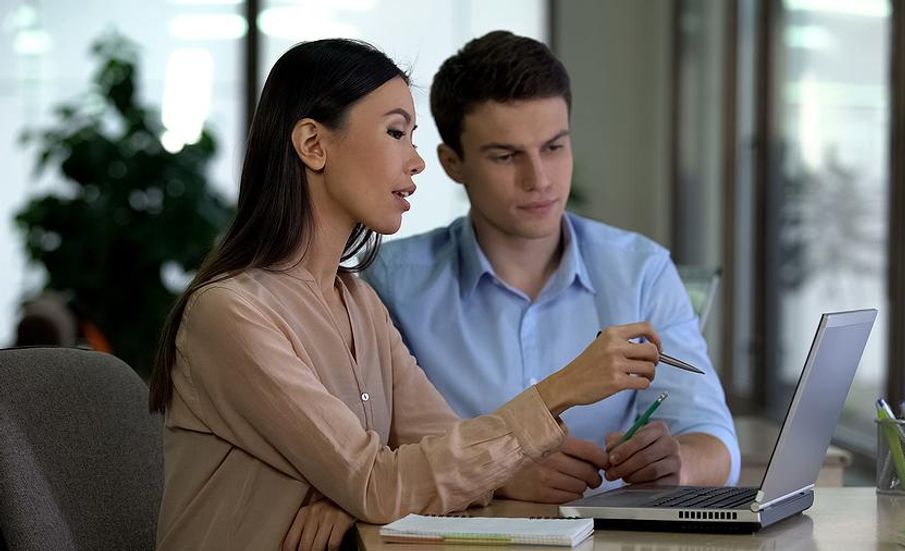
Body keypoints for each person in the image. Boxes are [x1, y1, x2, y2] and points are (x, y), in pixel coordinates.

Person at [147, 38, 664, 551]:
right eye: (396, 132)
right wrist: (563, 388)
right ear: (313, 145)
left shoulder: (359, 302)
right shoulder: (231, 314)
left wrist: (352, 493)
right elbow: (377, 484)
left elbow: (433, 448)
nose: (416, 162)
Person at [362, 31, 740, 504]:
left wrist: (677, 462)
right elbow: (369, 455)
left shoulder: (641, 270)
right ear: (452, 163)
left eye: (554, 147)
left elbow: (714, 436)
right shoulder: (389, 282)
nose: (538, 180)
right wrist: (497, 474)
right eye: (505, 156)